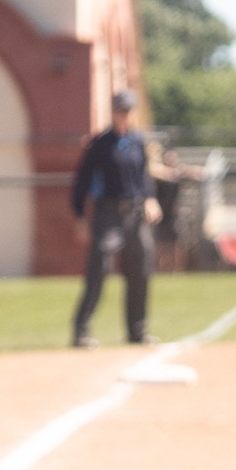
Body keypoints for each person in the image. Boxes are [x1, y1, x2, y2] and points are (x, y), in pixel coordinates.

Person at [69, 90, 160, 348]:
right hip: (108, 214)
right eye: (121, 110)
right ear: (113, 112)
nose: (125, 115)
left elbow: (143, 176)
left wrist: (150, 198)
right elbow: (82, 182)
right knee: (99, 271)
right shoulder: (100, 144)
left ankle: (136, 331)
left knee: (140, 271)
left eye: (129, 110)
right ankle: (81, 331)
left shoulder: (137, 141)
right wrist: (79, 216)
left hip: (135, 214)